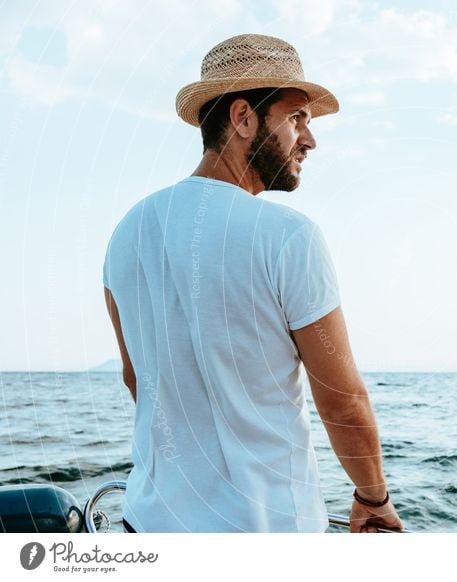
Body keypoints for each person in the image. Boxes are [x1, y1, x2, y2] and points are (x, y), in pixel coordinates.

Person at [102, 34, 403, 533]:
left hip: (149, 525)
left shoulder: (126, 232)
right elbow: (340, 396)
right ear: (243, 118)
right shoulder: (288, 237)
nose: (309, 140)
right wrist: (373, 498)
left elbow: (137, 378)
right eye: (296, 118)